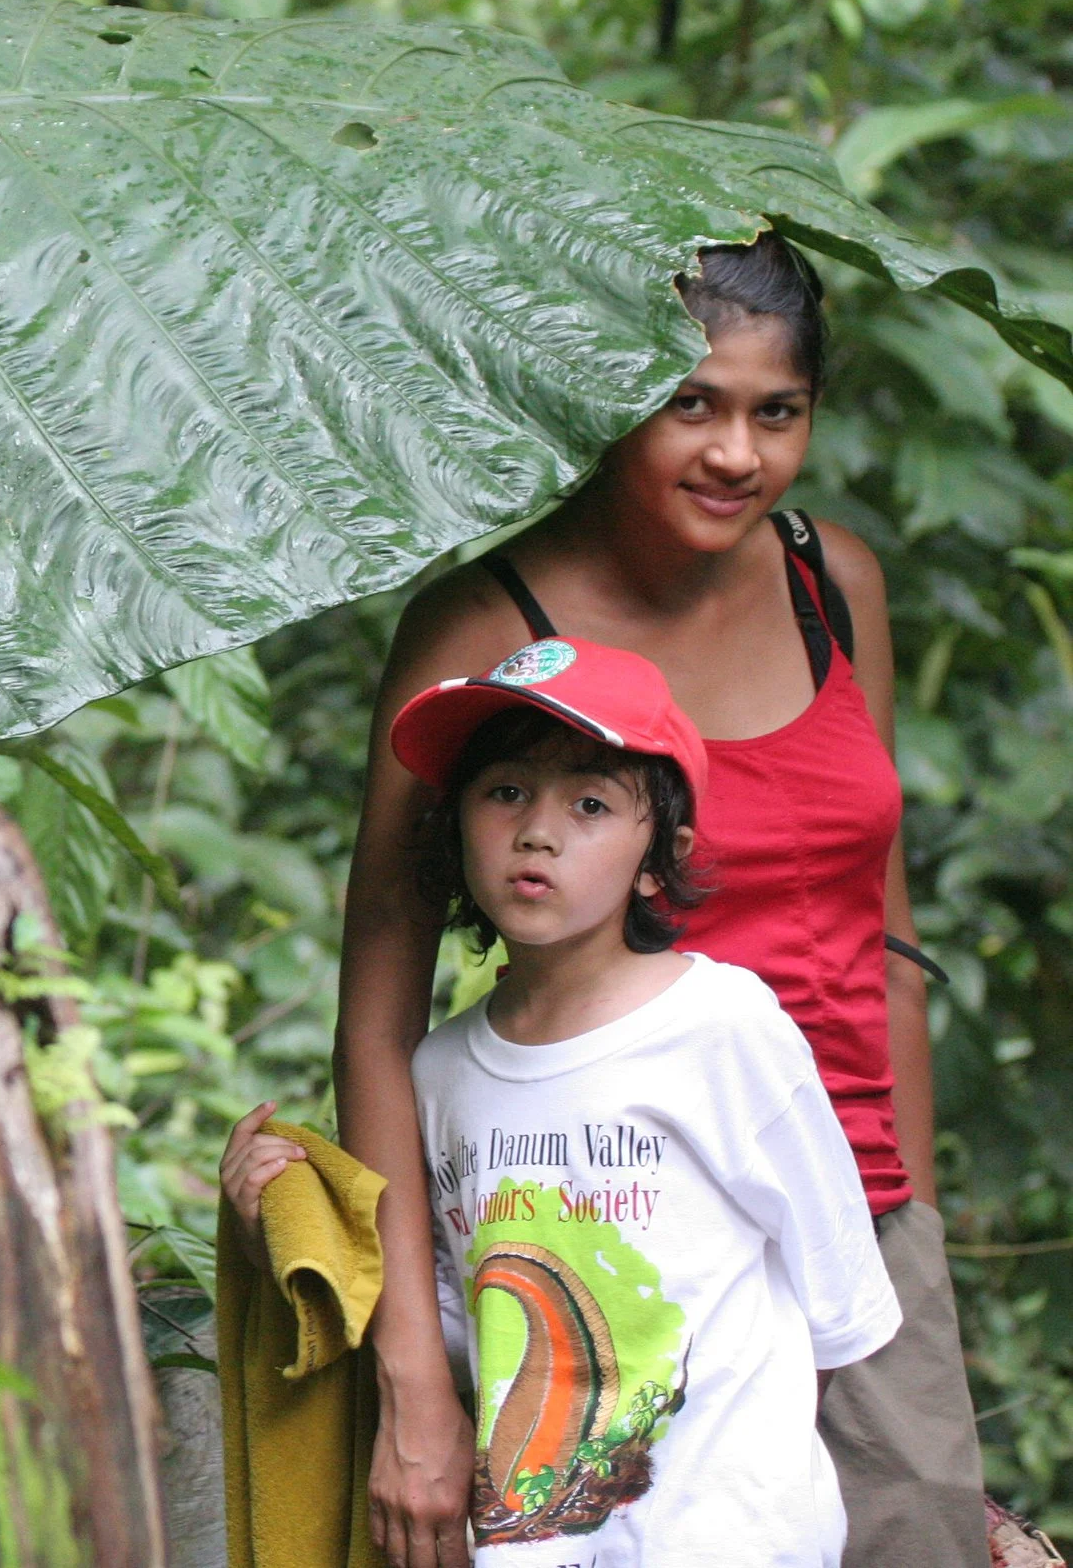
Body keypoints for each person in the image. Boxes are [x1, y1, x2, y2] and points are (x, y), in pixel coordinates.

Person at [317, 234, 984, 1568]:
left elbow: (886, 928)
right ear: (608, 390)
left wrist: (911, 1243)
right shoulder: (477, 625)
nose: (735, 451)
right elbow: (375, 1028)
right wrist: (415, 1380)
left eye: (774, 412)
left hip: (855, 1206)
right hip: (614, 1219)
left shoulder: (833, 585)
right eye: (694, 403)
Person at [226, 638, 901, 1566]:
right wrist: (282, 1224)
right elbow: (466, 1326)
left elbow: (842, 1303)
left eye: (589, 802)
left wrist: (744, 1496)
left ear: (662, 857)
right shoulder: (441, 1072)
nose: (538, 830)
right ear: (457, 825)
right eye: (505, 792)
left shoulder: (721, 1023)